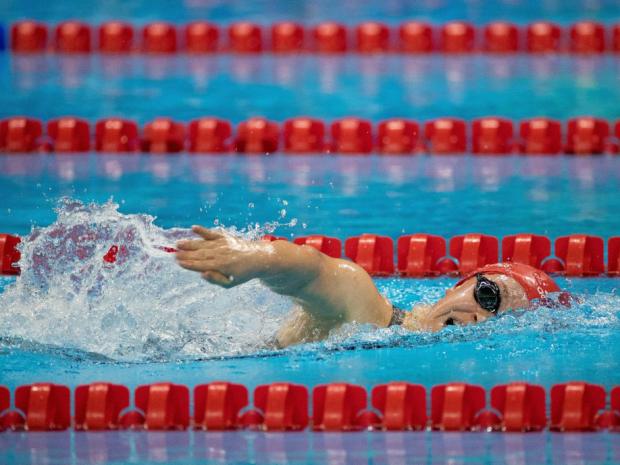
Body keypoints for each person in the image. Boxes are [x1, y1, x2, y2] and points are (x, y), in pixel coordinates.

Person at [175, 226, 562, 348]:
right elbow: (314, 269)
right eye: (488, 295)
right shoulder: (373, 313)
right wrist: (254, 258)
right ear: (455, 287)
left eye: (499, 319)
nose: (480, 317)